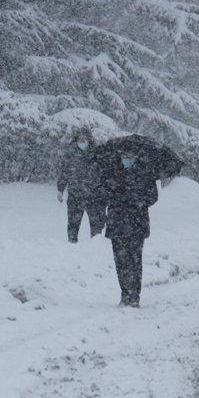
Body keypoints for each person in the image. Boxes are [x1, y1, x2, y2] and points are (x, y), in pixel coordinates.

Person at [98, 143, 160, 308]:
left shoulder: (145, 174)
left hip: (136, 224)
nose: (126, 160)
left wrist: (138, 200)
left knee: (134, 260)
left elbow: (153, 196)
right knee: (120, 261)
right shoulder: (112, 173)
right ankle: (125, 294)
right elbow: (102, 193)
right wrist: (112, 191)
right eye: (124, 157)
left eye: (130, 157)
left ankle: (134, 296)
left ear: (136, 158)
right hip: (117, 223)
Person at [57, 128, 105, 242]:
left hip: (94, 196)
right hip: (75, 195)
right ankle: (72, 248)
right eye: (80, 139)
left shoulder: (97, 154)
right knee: (73, 225)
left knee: (97, 228)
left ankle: (96, 248)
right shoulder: (70, 154)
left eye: (84, 139)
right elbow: (64, 172)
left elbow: (104, 174)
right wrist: (60, 189)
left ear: (89, 140)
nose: (82, 142)